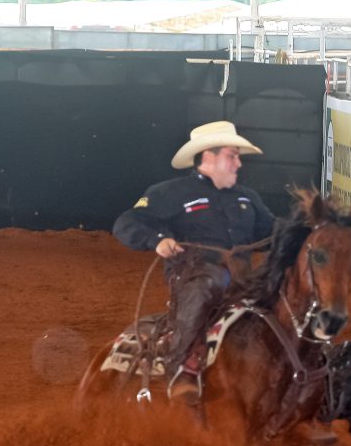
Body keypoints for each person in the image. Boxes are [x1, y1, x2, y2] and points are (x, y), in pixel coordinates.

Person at [113, 121, 275, 406]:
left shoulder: (247, 198)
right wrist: (158, 240)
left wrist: (308, 231)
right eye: (232, 155)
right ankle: (182, 370)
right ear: (208, 157)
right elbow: (128, 222)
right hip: (192, 276)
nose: (238, 164)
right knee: (209, 282)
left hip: (242, 280)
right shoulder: (171, 193)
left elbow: (273, 231)